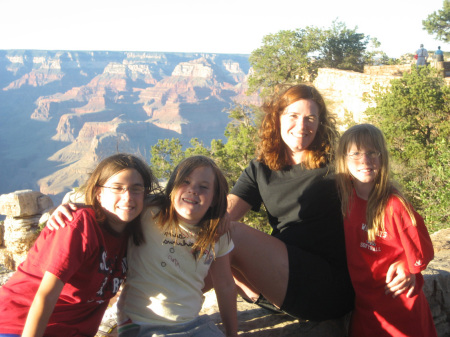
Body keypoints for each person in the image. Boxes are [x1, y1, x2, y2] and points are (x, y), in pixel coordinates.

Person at [47, 155, 238, 337]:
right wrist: (74, 208)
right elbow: (116, 206)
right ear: (171, 188)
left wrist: (232, 334)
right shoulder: (150, 212)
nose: (193, 190)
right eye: (185, 182)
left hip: (192, 324)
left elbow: (226, 285)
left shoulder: (216, 233)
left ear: (214, 198)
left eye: (203, 187)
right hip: (141, 326)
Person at [221, 84, 355, 333]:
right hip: (280, 286)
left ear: (320, 123)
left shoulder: (337, 165)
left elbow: (381, 204)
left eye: (310, 118)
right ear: (277, 118)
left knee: (233, 234)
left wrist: (401, 262)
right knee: (214, 230)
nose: (302, 126)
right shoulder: (260, 168)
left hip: (327, 286)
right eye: (293, 116)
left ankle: (169, 310)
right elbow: (224, 216)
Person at [0, 153, 159, 337]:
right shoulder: (79, 225)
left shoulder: (134, 232)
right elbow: (46, 295)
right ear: (99, 193)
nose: (128, 196)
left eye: (136, 189)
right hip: (20, 326)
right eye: (117, 188)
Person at [335, 124, 437, 337]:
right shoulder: (345, 201)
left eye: (372, 152)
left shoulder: (394, 205)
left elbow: (423, 249)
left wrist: (408, 265)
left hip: (401, 308)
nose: (365, 160)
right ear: (343, 159)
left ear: (382, 157)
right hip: (366, 310)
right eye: (355, 153)